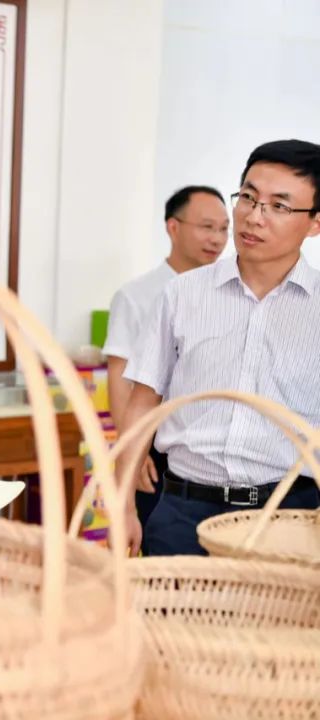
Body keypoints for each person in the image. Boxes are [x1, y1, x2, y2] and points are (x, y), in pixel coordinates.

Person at [120, 140, 320, 557]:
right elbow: (143, 402)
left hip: (289, 517)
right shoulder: (181, 295)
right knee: (167, 622)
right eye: (247, 197)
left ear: (315, 222)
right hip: (182, 510)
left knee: (274, 626)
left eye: (279, 206)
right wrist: (122, 505)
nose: (254, 216)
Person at [103, 186, 228, 545]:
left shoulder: (227, 293)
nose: (217, 239)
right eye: (206, 227)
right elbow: (120, 375)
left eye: (224, 229)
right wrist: (131, 449)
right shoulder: (137, 295)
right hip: (156, 445)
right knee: (161, 544)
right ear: (173, 227)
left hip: (207, 446)